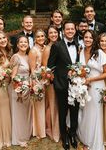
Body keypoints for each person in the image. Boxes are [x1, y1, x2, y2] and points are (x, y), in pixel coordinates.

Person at [48, 22, 79, 150]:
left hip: (77, 85)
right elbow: (50, 66)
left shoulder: (79, 45)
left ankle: (73, 134)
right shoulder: (57, 46)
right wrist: (56, 81)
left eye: (72, 29)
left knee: (75, 111)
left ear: (75, 30)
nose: (70, 31)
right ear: (63, 31)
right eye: (68, 29)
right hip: (62, 85)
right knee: (62, 111)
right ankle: (64, 136)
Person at [77, 30, 106, 150]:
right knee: (85, 112)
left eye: (90, 38)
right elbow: (80, 69)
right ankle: (86, 138)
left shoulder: (100, 53)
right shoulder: (81, 52)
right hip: (84, 87)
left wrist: (91, 79)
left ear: (94, 39)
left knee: (95, 114)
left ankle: (94, 142)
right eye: (86, 37)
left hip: (96, 87)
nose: (88, 39)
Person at [9, 35, 32, 147]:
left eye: (25, 42)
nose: (23, 44)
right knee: (18, 113)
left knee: (25, 112)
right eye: (21, 42)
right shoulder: (15, 57)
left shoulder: (28, 57)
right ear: (17, 45)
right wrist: (18, 88)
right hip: (17, 89)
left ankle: (26, 133)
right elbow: (13, 76)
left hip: (27, 88)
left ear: (28, 44)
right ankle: (18, 138)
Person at [42, 25, 60, 142]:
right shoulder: (47, 48)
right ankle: (49, 129)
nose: (53, 35)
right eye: (51, 33)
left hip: (59, 80)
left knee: (55, 105)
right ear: (48, 36)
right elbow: (45, 68)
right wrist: (51, 78)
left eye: (55, 32)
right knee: (51, 105)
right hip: (51, 81)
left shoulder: (58, 45)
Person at [28, 29, 46, 139]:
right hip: (37, 80)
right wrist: (35, 84)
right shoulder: (33, 51)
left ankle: (44, 127)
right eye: (38, 36)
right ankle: (39, 131)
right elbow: (32, 69)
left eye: (42, 36)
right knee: (38, 106)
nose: (40, 38)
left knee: (43, 105)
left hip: (44, 79)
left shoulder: (45, 48)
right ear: (35, 39)